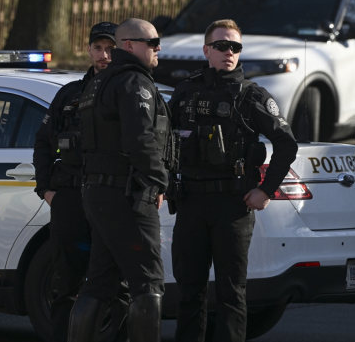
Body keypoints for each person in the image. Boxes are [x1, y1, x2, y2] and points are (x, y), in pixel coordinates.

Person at [167, 19, 298, 342]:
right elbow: (162, 141)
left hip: (233, 205)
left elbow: (286, 144)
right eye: (222, 46)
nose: (229, 52)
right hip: (192, 203)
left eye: (235, 47)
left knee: (231, 293)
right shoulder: (185, 93)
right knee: (189, 292)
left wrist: (266, 190)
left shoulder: (251, 95)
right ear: (206, 50)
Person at [68, 18, 173, 342]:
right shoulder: (133, 82)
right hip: (125, 195)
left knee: (99, 282)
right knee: (148, 283)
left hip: (100, 193)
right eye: (152, 42)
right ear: (129, 45)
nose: (158, 48)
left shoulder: (99, 83)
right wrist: (159, 181)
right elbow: (139, 140)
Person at [33, 21, 117, 342]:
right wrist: (46, 189)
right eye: (98, 48)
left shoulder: (126, 91)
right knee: (66, 281)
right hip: (69, 197)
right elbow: (43, 142)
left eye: (110, 49)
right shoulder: (68, 94)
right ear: (89, 50)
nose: (104, 55)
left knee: (112, 282)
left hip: (109, 197)